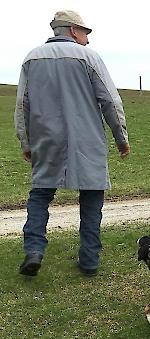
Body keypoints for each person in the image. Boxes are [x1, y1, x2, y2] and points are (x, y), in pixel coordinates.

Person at [14, 10, 130, 277]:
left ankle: (34, 249)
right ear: (74, 31)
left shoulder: (31, 58)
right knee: (91, 196)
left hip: (46, 139)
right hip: (86, 139)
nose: (87, 40)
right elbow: (110, 101)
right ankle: (89, 260)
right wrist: (121, 138)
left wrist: (26, 142)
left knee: (41, 194)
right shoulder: (89, 57)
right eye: (85, 34)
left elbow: (22, 105)